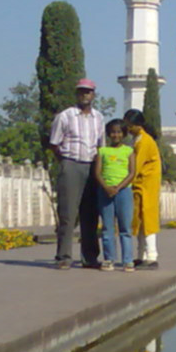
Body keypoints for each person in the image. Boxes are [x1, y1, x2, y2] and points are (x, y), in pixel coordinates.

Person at [50, 78, 106, 270]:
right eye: (81, 91)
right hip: (71, 163)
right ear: (76, 94)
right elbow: (54, 143)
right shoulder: (65, 116)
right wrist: (65, 163)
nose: (84, 95)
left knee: (90, 214)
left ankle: (89, 257)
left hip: (91, 166)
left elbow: (101, 145)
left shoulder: (98, 118)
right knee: (68, 213)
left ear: (93, 94)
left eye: (88, 92)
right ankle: (64, 256)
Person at [94, 119, 136, 272]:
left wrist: (118, 187)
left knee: (125, 228)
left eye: (119, 132)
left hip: (123, 191)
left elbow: (132, 173)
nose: (116, 135)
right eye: (112, 132)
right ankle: (109, 259)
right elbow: (97, 172)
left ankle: (127, 260)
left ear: (124, 134)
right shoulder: (103, 151)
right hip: (105, 192)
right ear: (108, 134)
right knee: (107, 227)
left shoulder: (129, 151)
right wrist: (106, 187)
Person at [124, 109, 162, 270]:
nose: (127, 129)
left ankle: (152, 256)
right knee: (139, 219)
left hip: (147, 185)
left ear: (137, 125)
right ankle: (141, 256)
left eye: (129, 125)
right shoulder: (137, 139)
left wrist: (121, 181)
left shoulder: (145, 141)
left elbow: (136, 166)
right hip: (140, 185)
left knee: (148, 219)